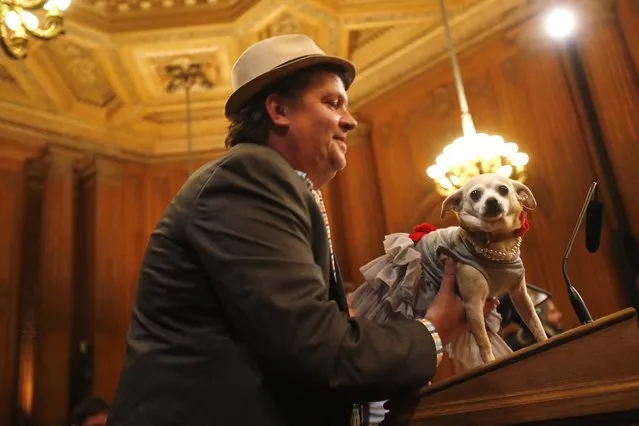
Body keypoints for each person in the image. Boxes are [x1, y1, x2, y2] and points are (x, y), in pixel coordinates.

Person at [106, 34, 497, 426]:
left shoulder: (273, 182)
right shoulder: (250, 177)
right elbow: (318, 350)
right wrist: (433, 330)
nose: (350, 119)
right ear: (278, 110)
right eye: (332, 102)